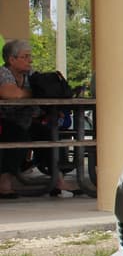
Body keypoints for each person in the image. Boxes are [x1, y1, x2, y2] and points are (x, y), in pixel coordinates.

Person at [0, 39, 77, 197]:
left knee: (48, 136)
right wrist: (35, 93)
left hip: (26, 121)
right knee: (18, 136)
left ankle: (57, 180)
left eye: (30, 56)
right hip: (5, 122)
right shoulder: (3, 73)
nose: (30, 60)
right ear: (11, 59)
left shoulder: (30, 74)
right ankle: (4, 183)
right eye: (25, 56)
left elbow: (45, 89)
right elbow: (11, 94)